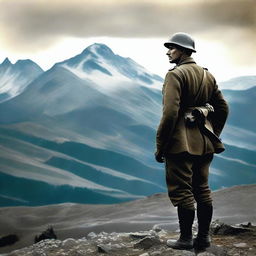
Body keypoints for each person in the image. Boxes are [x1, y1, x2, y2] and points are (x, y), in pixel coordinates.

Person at [155, 32, 229, 250]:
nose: (168, 52)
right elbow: (223, 107)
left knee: (182, 191)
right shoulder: (207, 75)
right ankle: (204, 239)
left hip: (179, 143)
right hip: (205, 142)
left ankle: (186, 239)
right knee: (202, 189)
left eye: (172, 48)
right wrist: (212, 131)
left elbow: (170, 114)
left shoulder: (175, 75)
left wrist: (161, 146)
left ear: (184, 51)